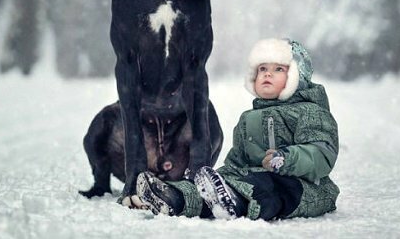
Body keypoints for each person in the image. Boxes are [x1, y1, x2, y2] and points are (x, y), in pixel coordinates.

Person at [136, 38, 340, 220]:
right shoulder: (248, 119)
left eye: (278, 69)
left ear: (297, 77)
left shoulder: (310, 111)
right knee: (225, 183)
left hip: (304, 188)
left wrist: (287, 158)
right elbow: (237, 162)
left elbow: (321, 154)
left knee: (269, 188)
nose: (267, 73)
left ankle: (232, 200)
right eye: (262, 69)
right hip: (253, 180)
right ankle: (175, 197)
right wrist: (221, 177)